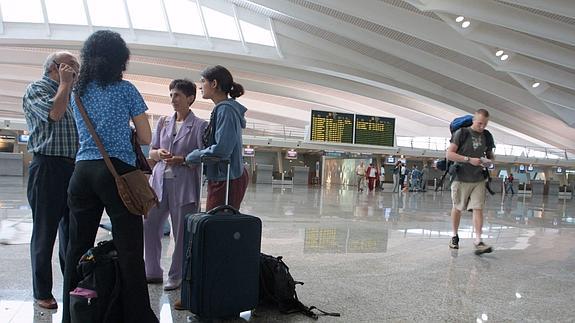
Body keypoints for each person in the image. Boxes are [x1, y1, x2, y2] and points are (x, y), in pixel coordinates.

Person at [62, 30, 158, 323]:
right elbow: (145, 136)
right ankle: (137, 316)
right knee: (129, 249)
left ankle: (71, 315)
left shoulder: (78, 91)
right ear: (121, 59)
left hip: (81, 173)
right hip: (118, 173)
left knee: (76, 247)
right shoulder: (126, 90)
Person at [22, 51, 79, 310]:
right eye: (72, 67)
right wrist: (65, 84)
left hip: (74, 168)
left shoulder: (74, 95)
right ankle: (42, 291)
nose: (77, 72)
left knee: (72, 232)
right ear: (56, 67)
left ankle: (72, 285)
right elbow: (54, 115)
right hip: (47, 166)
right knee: (45, 232)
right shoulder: (37, 89)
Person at [144, 79, 207, 291]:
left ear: (190, 98)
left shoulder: (200, 126)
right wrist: (158, 154)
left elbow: (202, 156)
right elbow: (151, 151)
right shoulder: (162, 122)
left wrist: (182, 159)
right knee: (150, 225)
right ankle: (151, 270)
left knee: (180, 232)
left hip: (185, 185)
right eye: (171, 95)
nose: (173, 99)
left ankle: (176, 275)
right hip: (159, 183)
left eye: (178, 95)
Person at [185, 65, 250, 211]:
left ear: (214, 84)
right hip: (226, 175)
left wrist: (193, 156)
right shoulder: (225, 109)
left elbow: (222, 149)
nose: (200, 87)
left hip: (227, 177)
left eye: (203, 81)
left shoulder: (225, 110)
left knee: (217, 225)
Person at [447, 109, 495, 255]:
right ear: (474, 120)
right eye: (480, 123)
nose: (482, 127)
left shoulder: (487, 136)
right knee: (458, 207)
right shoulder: (461, 133)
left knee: (478, 208)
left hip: (478, 178)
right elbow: (449, 154)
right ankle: (454, 236)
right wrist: (468, 159)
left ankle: (478, 240)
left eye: (485, 124)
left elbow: (491, 156)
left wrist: (489, 162)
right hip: (461, 177)